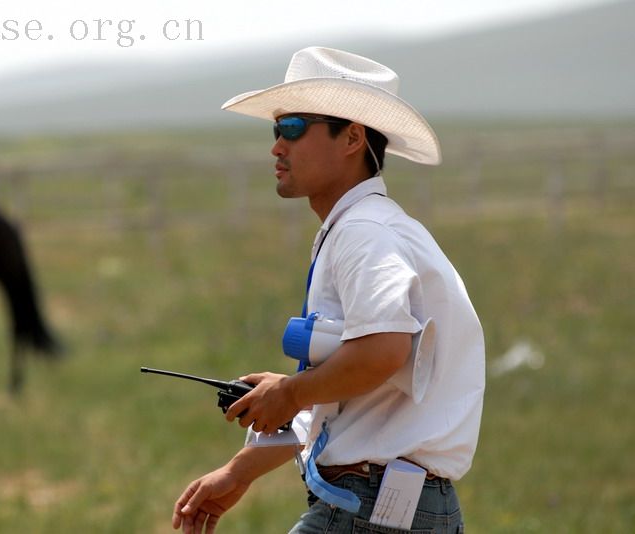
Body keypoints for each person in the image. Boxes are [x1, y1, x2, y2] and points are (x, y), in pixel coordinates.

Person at [172, 47, 485, 533]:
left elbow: (381, 352)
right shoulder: (370, 227)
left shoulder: (364, 232)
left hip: (372, 510)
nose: (277, 146)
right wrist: (241, 470)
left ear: (352, 138)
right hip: (393, 506)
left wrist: (292, 391)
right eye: (276, 130)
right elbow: (362, 386)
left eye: (293, 128)